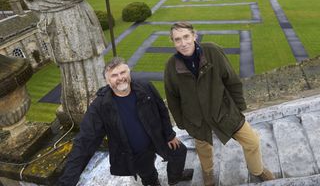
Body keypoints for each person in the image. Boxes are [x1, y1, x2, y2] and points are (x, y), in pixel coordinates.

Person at [164, 22, 274, 186]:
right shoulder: (171, 67)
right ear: (173, 42)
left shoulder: (212, 51)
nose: (183, 43)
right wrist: (182, 123)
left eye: (186, 36)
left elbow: (232, 80)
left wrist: (238, 108)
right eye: (177, 39)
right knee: (204, 151)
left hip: (223, 111)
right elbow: (173, 99)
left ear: (194, 35)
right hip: (197, 120)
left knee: (252, 142)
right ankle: (208, 175)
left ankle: (257, 170)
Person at [58, 57, 194, 186]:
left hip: (158, 137)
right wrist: (66, 183)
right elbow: (84, 142)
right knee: (148, 174)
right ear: (107, 81)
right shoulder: (100, 106)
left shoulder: (145, 87)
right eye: (114, 75)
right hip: (136, 152)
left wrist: (169, 134)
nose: (120, 78)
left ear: (129, 73)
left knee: (179, 151)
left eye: (123, 72)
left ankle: (174, 178)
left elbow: (162, 109)